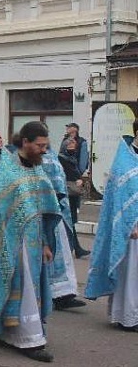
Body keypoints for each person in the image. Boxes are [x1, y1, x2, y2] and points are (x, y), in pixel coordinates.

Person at [0, 121, 62, 363]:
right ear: (25, 142)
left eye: (46, 146)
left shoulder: (38, 168)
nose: (44, 150)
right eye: (40, 145)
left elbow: (45, 209)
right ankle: (29, 338)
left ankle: (14, 331)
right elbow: (0, 213)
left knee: (31, 286)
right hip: (14, 243)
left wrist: (46, 243)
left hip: (35, 240)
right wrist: (8, 244)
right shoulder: (8, 170)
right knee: (21, 287)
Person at [85, 122, 138, 332]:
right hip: (130, 231)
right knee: (131, 274)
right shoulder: (123, 162)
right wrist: (130, 226)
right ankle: (128, 316)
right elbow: (118, 200)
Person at [41, 148, 87, 311]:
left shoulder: (52, 155)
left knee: (63, 255)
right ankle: (53, 294)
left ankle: (64, 293)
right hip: (44, 214)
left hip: (56, 212)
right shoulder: (33, 158)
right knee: (49, 256)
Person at [58, 138, 90, 258]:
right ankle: (75, 248)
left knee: (69, 222)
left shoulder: (72, 158)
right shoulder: (61, 158)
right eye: (70, 144)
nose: (72, 147)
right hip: (67, 194)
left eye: (74, 145)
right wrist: (77, 179)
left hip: (73, 195)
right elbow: (67, 174)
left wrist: (80, 179)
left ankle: (74, 248)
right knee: (68, 222)